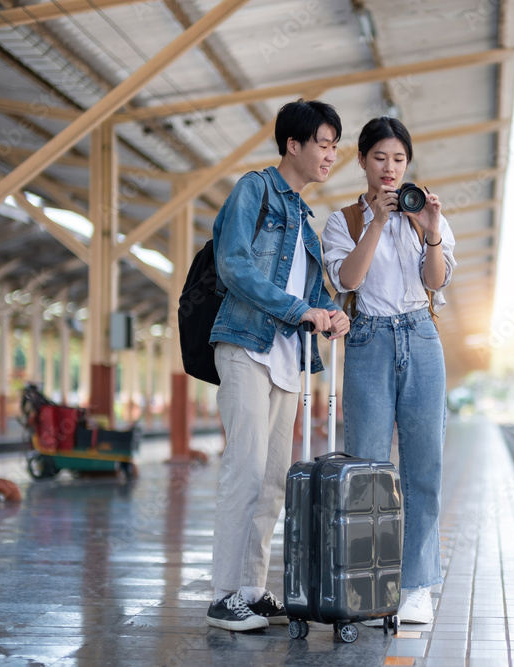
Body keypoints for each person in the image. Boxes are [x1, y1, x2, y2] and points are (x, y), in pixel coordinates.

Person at [206, 99, 350, 632]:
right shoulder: (255, 190)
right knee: (242, 468)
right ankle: (222, 594)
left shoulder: (306, 226)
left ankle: (251, 587)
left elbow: (315, 293)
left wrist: (331, 313)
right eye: (324, 143)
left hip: (288, 361)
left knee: (271, 481)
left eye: (335, 145)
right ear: (293, 143)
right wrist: (298, 310)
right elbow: (234, 264)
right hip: (246, 345)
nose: (331, 154)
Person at [320, 116, 457, 625]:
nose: (390, 168)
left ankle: (417, 584)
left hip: (421, 337)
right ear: (361, 160)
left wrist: (433, 232)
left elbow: (435, 282)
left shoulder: (425, 215)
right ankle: (369, 581)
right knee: (368, 470)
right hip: (370, 339)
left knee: (425, 466)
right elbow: (347, 279)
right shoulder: (344, 222)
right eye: (380, 158)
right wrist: (377, 221)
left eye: (399, 159)